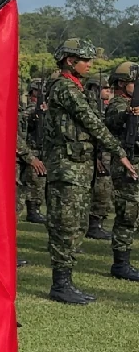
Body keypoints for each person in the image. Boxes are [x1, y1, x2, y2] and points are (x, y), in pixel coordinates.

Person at [42, 39, 136, 304]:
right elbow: (92, 122)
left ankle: (66, 282)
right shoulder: (65, 88)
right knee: (66, 224)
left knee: (77, 224)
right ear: (70, 60)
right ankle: (60, 285)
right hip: (67, 168)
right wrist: (119, 152)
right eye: (86, 60)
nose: (90, 64)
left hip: (79, 167)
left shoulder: (76, 87)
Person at [104, 61, 139, 281]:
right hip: (126, 166)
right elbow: (113, 121)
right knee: (127, 214)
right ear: (122, 84)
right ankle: (120, 264)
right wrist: (129, 112)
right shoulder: (118, 104)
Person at [86, 77, 114, 240]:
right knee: (100, 191)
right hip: (95, 155)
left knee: (105, 190)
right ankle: (94, 225)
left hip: (105, 154)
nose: (108, 90)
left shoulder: (105, 108)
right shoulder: (90, 108)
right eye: (104, 88)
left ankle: (98, 224)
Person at [22, 82, 49, 223]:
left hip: (42, 149)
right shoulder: (31, 108)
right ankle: (32, 211)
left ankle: (36, 209)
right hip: (32, 149)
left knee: (40, 181)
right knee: (34, 181)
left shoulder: (44, 108)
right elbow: (23, 119)